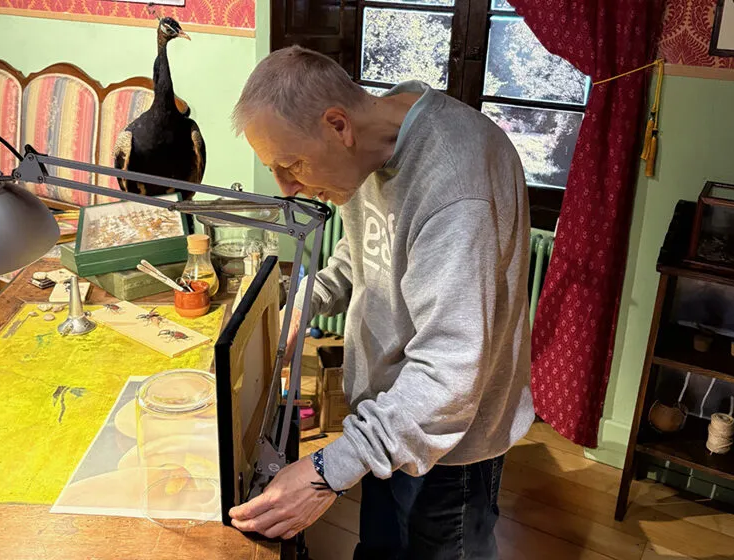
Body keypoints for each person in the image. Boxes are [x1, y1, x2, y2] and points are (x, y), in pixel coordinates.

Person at [228, 46, 534, 560]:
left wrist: (327, 471)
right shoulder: (373, 142)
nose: (288, 186)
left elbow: (449, 372)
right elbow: (371, 245)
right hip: (385, 421)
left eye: (292, 164)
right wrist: (309, 296)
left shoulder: (456, 186)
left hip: (447, 443)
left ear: (337, 125)